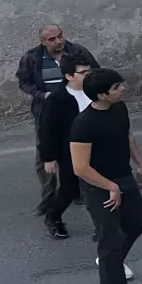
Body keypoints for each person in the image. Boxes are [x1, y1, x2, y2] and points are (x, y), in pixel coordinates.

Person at [70, 68, 142, 284]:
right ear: (102, 95)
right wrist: (111, 186)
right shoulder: (84, 124)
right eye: (116, 87)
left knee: (136, 223)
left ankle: (111, 262)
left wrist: (140, 165)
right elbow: (80, 167)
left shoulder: (119, 108)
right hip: (98, 186)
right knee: (110, 239)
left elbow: (127, 136)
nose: (122, 89)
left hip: (123, 176)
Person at [16, 25, 98, 216]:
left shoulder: (77, 51)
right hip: (48, 113)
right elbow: (23, 81)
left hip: (78, 111)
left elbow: (95, 72)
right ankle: (49, 199)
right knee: (46, 155)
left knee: (83, 150)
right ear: (43, 41)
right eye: (52, 39)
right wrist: (41, 95)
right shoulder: (32, 58)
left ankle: (78, 189)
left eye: (60, 36)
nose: (58, 41)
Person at [39, 52, 96, 240]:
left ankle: (103, 225)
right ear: (69, 76)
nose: (89, 75)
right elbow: (47, 130)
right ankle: (53, 217)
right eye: (83, 73)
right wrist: (49, 158)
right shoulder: (57, 99)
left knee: (98, 187)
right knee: (69, 189)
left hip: (97, 147)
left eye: (89, 71)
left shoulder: (95, 90)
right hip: (70, 152)